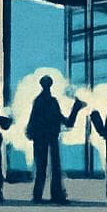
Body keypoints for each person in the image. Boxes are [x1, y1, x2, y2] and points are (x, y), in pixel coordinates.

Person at [26, 76, 85, 204]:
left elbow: (34, 119)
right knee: (52, 166)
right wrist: (75, 109)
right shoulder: (50, 101)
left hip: (42, 138)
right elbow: (64, 121)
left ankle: (39, 195)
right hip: (49, 137)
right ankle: (54, 195)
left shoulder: (41, 101)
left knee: (43, 167)